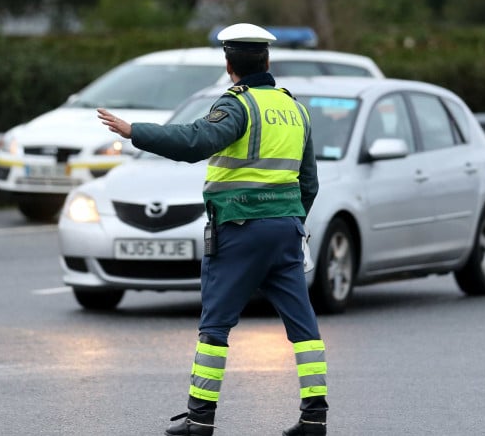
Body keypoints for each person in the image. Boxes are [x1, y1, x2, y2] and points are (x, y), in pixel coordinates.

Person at [98, 23, 327, 436]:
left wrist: (134, 132)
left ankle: (200, 418)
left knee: (216, 325)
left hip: (240, 229)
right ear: (267, 61)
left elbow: (195, 142)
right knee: (303, 327)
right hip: (286, 229)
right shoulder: (295, 108)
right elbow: (309, 183)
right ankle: (314, 418)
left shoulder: (237, 106)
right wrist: (292, 220)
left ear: (228, 64)